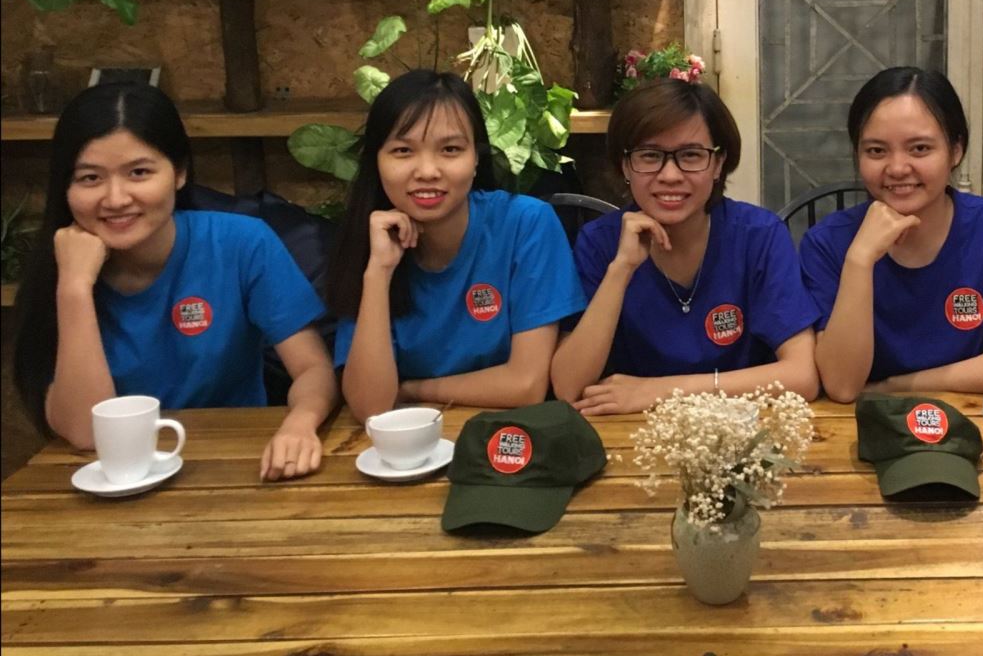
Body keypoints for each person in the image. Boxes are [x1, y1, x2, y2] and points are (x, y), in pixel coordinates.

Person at [12, 83, 335, 481]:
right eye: (90, 178)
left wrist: (300, 423)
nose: (116, 198)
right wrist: (75, 288)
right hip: (113, 479)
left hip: (233, 464)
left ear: (179, 172)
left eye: (139, 173)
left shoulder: (241, 243)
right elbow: (85, 433)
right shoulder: (60, 267)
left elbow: (313, 368)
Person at [327, 70, 583, 421]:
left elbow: (526, 385)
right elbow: (371, 407)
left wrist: (411, 390)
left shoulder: (525, 224)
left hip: (504, 434)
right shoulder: (370, 239)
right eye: (403, 150)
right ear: (376, 161)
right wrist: (378, 273)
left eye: (450, 149)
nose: (427, 171)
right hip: (410, 442)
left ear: (476, 157)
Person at [551, 80, 819, 415]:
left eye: (691, 155)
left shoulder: (759, 236)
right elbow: (568, 388)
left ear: (718, 164)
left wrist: (661, 391)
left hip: (742, 429)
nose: (670, 175)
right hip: (631, 434)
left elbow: (802, 376)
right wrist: (621, 270)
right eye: (650, 156)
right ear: (625, 166)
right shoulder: (599, 242)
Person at [803, 67, 983, 402]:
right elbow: (842, 386)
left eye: (919, 149)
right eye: (876, 151)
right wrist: (860, 259)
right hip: (866, 424)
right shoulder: (826, 242)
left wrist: (893, 387)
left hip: (972, 417)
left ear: (956, 150)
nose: (898, 168)